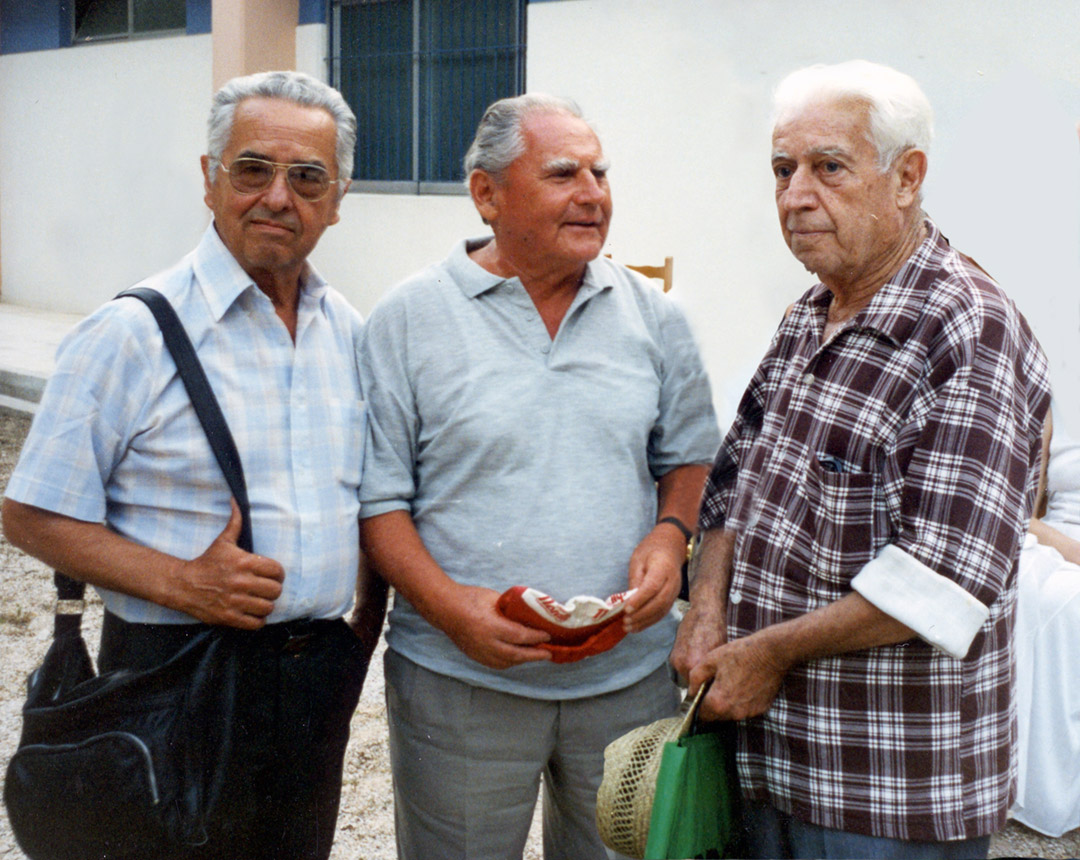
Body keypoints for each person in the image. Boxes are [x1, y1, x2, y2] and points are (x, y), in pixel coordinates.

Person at [671, 60, 1051, 860]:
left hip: (883, 795)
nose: (796, 196)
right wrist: (707, 602)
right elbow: (733, 485)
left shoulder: (968, 332)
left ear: (907, 177)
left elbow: (942, 581)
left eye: (828, 167)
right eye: (783, 170)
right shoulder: (808, 317)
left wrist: (767, 652)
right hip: (770, 761)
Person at [1, 70, 377, 860]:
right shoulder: (131, 333)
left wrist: (357, 637)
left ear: (337, 200)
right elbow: (31, 511)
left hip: (313, 683)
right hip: (173, 679)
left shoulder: (346, 330)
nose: (279, 196)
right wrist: (182, 583)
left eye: (307, 177)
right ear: (210, 181)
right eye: (253, 169)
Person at [357, 93, 720, 859]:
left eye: (600, 172)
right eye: (564, 174)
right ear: (487, 195)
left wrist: (669, 530)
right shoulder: (408, 318)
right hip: (460, 683)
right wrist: (451, 608)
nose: (593, 193)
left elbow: (688, 455)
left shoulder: (655, 316)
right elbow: (379, 502)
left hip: (627, 680)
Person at [1011, 403, 1080, 836]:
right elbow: (1025, 509)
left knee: (1062, 597)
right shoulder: (1060, 401)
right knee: (1012, 578)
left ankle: (1046, 789)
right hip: (1049, 542)